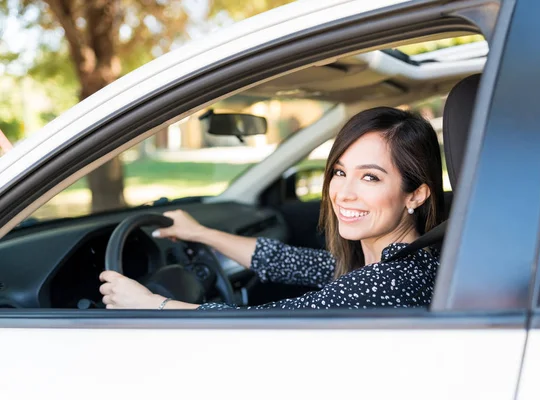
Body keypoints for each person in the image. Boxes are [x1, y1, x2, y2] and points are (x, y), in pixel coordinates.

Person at [99, 107, 445, 310]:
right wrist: (201, 233)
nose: (343, 193)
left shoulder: (386, 283)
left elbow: (254, 326)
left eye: (370, 178)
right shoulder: (405, 260)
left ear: (416, 194)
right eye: (339, 172)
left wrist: (151, 304)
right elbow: (292, 262)